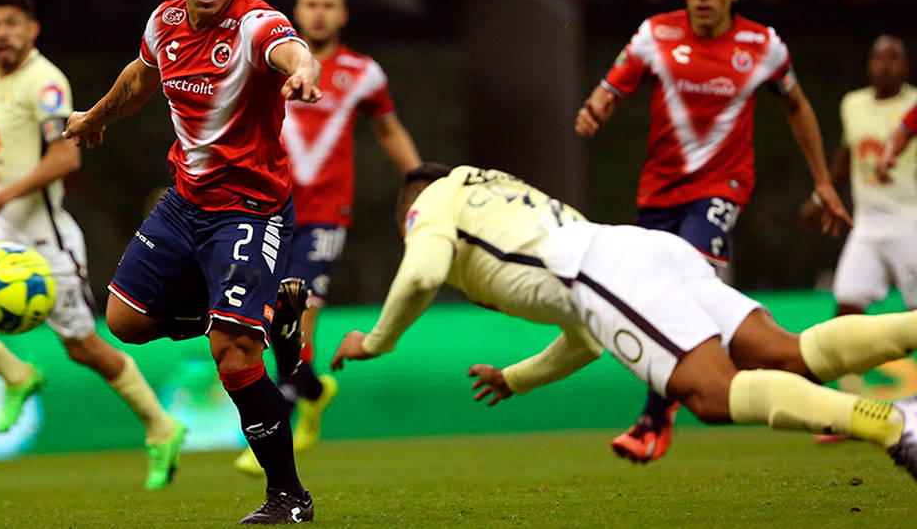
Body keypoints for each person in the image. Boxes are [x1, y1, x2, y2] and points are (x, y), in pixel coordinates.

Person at [330, 163, 917, 485]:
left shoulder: (432, 200)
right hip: (639, 253)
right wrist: (516, 378)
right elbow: (588, 338)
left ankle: (892, 425)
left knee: (710, 395)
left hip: (604, 269)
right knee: (790, 352)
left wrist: (374, 341)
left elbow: (421, 275)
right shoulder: (498, 192)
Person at [64, 0, 320, 525]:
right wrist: (96, 117)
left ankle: (289, 496)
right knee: (123, 321)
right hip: (185, 203)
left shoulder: (258, 24)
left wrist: (305, 70)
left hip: (250, 209)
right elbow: (140, 77)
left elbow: (290, 50)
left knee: (232, 355)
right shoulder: (164, 22)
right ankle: (260, 318)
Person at [575, 0, 851, 463]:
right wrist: (596, 107)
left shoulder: (762, 45)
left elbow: (796, 105)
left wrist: (824, 180)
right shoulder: (655, 34)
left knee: (683, 284)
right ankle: (762, 362)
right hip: (658, 194)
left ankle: (654, 418)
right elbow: (611, 87)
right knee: (665, 299)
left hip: (721, 190)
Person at [0, 0, 185, 491]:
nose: (3, 33)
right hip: (1, 229)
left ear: (32, 29)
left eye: (12, 23)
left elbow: (66, 157)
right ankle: (17, 374)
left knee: (85, 348)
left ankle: (161, 425)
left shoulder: (45, 83)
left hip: (44, 237)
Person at [234, 0, 421, 476]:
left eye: (328, 4)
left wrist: (423, 182)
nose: (319, 12)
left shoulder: (364, 73)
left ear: (343, 14)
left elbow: (388, 130)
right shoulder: (271, 62)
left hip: (326, 214)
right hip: (267, 206)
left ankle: (282, 422)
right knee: (271, 320)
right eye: (311, 3)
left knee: (300, 311)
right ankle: (313, 389)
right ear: (298, 10)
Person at [801, 37, 917, 319]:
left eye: (894, 58)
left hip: (910, 221)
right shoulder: (853, 104)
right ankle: (843, 364)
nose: (885, 65)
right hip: (866, 225)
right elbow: (847, 158)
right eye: (879, 58)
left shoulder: (914, 101)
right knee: (847, 307)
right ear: (868, 65)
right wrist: (821, 196)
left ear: (906, 66)